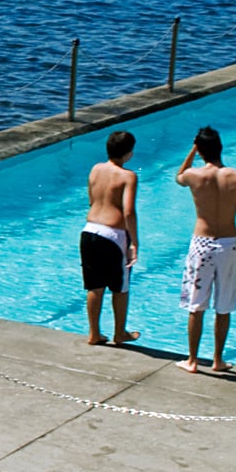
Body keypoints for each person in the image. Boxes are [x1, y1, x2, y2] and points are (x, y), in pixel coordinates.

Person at [175, 126, 236, 373]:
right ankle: (218, 360)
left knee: (196, 304)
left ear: (200, 150)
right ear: (221, 148)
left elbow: (178, 177)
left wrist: (193, 150)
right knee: (224, 306)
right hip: (228, 244)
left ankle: (192, 360)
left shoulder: (193, 175)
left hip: (201, 244)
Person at [81, 130, 142, 345]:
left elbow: (91, 199)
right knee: (120, 287)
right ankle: (119, 333)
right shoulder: (128, 176)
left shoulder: (95, 169)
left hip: (89, 231)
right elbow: (128, 211)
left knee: (94, 286)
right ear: (129, 153)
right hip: (113, 235)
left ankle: (94, 333)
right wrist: (134, 241)